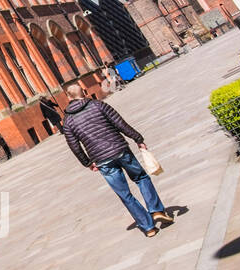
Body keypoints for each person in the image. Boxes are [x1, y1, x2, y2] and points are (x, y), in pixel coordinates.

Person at [62, 84, 171, 237]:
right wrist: (138, 139)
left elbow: (74, 146)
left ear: (68, 97)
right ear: (85, 92)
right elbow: (120, 124)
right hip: (121, 150)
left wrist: (87, 162)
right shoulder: (98, 105)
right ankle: (156, 210)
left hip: (101, 160)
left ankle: (148, 227)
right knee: (141, 178)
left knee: (124, 195)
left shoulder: (68, 121)